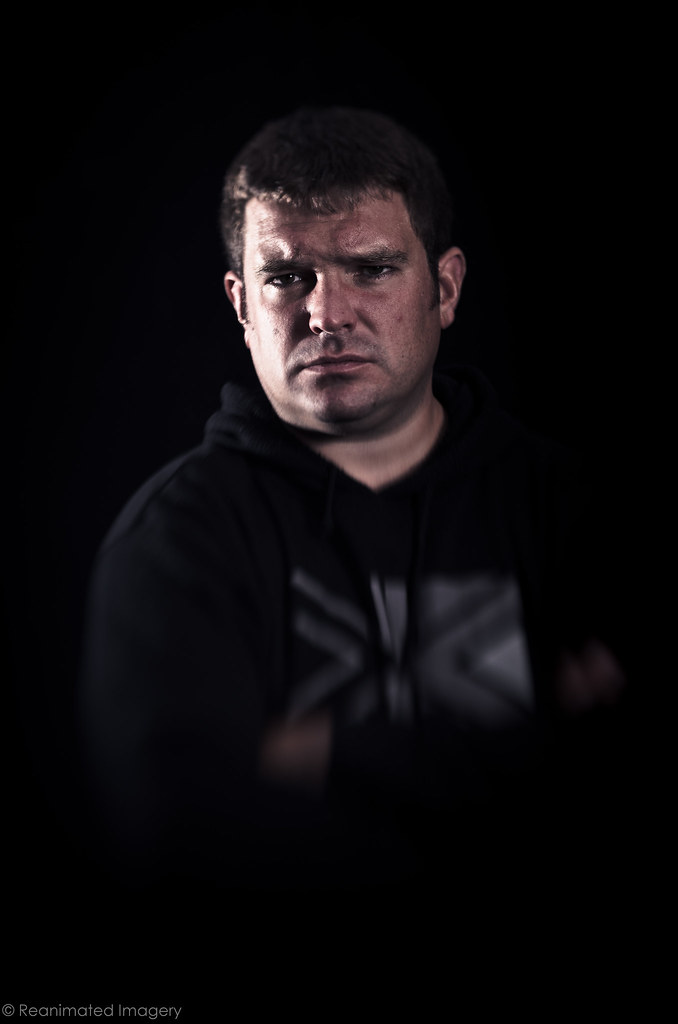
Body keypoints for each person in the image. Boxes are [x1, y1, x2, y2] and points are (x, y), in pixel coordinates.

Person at [79, 107, 627, 894]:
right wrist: (530, 741)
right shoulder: (177, 540)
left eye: (371, 269)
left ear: (445, 288)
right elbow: (182, 839)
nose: (326, 314)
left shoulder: (571, 509)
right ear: (242, 305)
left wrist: (320, 753)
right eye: (286, 277)